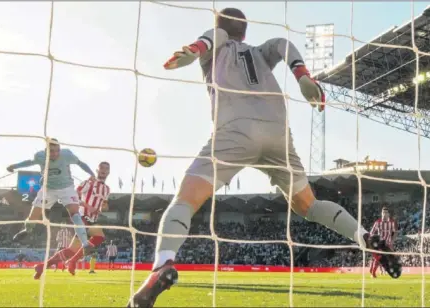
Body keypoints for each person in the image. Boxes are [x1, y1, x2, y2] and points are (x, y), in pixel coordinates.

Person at [127, 8, 402, 307]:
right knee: (308, 205)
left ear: (218, 27)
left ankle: (162, 264)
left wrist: (196, 49)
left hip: (235, 130)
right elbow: (282, 43)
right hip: (278, 135)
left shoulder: (216, 45)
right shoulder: (260, 52)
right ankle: (365, 238)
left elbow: (215, 37)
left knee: (185, 202)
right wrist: (302, 77)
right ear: (245, 32)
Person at [7, 138, 97, 259]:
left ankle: (86, 245)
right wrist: (15, 166)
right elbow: (30, 162)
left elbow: (80, 163)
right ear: (46, 151)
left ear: (60, 149)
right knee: (33, 217)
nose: (54, 153)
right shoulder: (40, 156)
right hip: (48, 190)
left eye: (57, 150)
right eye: (52, 151)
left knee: (75, 214)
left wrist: (91, 173)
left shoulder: (67, 155)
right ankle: (27, 230)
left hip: (67, 189)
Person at [32, 161, 111, 279]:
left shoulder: (106, 189)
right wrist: (88, 206)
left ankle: (42, 266)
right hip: (82, 218)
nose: (104, 170)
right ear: (97, 170)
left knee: (71, 250)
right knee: (99, 236)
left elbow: (104, 204)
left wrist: (102, 208)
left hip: (92, 220)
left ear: (108, 172)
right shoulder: (88, 183)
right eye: (101, 168)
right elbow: (74, 196)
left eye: (106, 168)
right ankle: (72, 262)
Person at [369, 207, 397, 278]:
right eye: (383, 213)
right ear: (381, 214)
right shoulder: (378, 222)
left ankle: (374, 269)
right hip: (380, 243)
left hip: (388, 243)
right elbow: (372, 232)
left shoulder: (392, 222)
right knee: (379, 258)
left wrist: (392, 241)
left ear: (388, 214)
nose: (384, 214)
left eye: (386, 213)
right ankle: (373, 272)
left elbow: (395, 232)